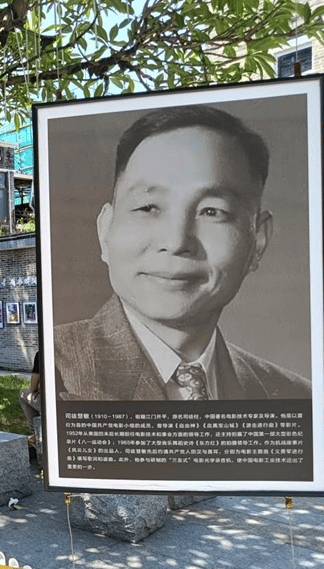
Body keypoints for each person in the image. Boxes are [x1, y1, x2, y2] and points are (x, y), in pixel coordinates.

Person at [55, 105, 312, 401]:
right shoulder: (57, 370)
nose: (177, 242)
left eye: (212, 211)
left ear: (258, 241)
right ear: (105, 230)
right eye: (148, 207)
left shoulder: (296, 395)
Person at [19, 351, 41, 429]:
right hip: (74, 400)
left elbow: (33, 387)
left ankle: (37, 431)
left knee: (23, 393)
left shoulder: (42, 354)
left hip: (51, 401)